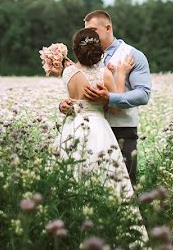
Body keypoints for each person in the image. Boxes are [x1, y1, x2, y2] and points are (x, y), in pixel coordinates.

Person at [40, 29, 136, 198]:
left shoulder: (67, 72)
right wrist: (120, 74)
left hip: (72, 127)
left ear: (76, 50)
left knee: (71, 171)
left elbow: (76, 85)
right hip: (98, 128)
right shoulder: (104, 74)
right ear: (99, 50)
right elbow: (116, 107)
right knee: (103, 173)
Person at [59, 10, 151, 185]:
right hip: (85, 131)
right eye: (87, 31)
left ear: (108, 28)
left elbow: (143, 94)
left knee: (122, 186)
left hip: (121, 131)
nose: (90, 35)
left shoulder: (133, 55)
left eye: (94, 30)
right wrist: (66, 105)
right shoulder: (85, 56)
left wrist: (110, 98)